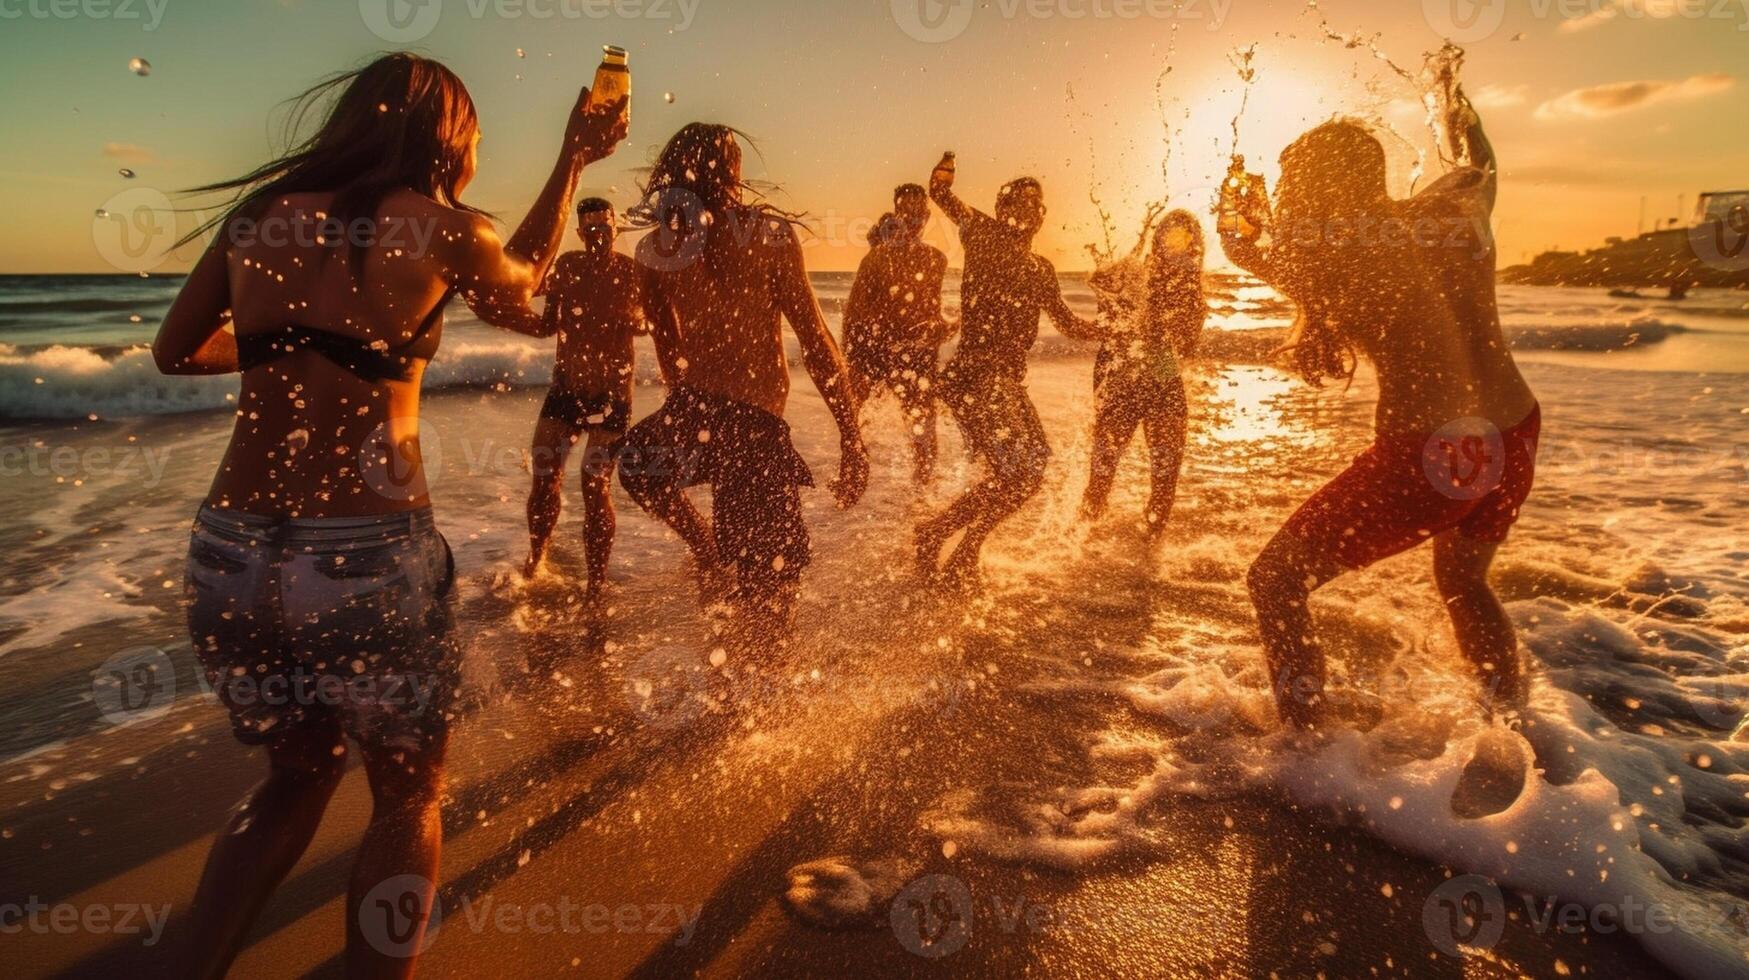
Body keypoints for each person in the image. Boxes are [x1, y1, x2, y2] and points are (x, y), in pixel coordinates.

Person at [151, 53, 625, 977]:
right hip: (363, 556)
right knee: (409, 795)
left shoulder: (258, 218)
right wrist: (572, 157)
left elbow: (175, 350)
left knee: (292, 774)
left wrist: (286, 344)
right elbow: (523, 283)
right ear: (448, 136)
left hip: (228, 550)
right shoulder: (441, 228)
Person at [1221, 87, 1539, 730]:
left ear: (1315, 187)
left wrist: (1237, 214)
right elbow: (1484, 164)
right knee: (1464, 581)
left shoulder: (1342, 254)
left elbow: (1239, 245)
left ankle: (1306, 745)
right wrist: (1461, 118)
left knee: (1275, 582)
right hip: (1514, 432)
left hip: (1433, 453)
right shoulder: (1454, 209)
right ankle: (1511, 729)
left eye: (1289, 182)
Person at [617, 123, 868, 646]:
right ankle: (761, 707)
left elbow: (670, 357)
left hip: (697, 414)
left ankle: (706, 551)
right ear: (734, 172)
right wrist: (851, 434)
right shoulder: (769, 237)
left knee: (640, 462)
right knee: (769, 589)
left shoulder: (654, 250)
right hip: (755, 428)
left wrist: (687, 413)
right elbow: (816, 342)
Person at [915, 154, 1101, 585]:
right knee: (1019, 474)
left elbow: (1068, 323)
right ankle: (950, 544)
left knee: (1028, 473)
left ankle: (949, 540)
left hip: (1005, 382)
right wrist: (942, 176)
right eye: (1018, 203)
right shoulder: (982, 234)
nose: (1027, 210)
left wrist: (1115, 331)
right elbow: (942, 196)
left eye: (1035, 204)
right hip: (974, 375)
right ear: (1003, 210)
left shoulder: (1041, 269)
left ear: (1041, 216)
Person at [523, 198, 648, 598]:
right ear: (580, 232)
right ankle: (536, 559)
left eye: (604, 228)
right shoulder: (567, 267)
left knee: (594, 486)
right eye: (590, 229)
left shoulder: (633, 273)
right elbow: (546, 325)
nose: (597, 235)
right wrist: (506, 310)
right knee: (544, 477)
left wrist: (635, 322)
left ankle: (596, 583)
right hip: (565, 390)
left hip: (613, 398)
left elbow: (654, 322)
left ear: (616, 229)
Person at [1080, 208, 1205, 535]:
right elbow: (1098, 285)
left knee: (1164, 481)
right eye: (1169, 235)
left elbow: (1184, 347)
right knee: (1100, 480)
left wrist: (1169, 322)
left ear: (1193, 244)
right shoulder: (1136, 272)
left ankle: (1149, 564)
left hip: (1162, 374)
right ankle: (1078, 551)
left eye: (1183, 237)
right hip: (1123, 377)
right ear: (1158, 238)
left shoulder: (1189, 284)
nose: (1175, 244)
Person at [843, 183, 954, 485]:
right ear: (897, 212)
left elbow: (932, 309)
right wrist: (851, 360)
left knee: (925, 437)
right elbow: (854, 313)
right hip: (874, 350)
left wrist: (945, 326)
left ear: (928, 216)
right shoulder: (877, 258)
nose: (913, 218)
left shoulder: (936, 260)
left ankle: (919, 500)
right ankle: (851, 478)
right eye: (906, 211)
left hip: (916, 354)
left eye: (918, 212)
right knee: (853, 424)